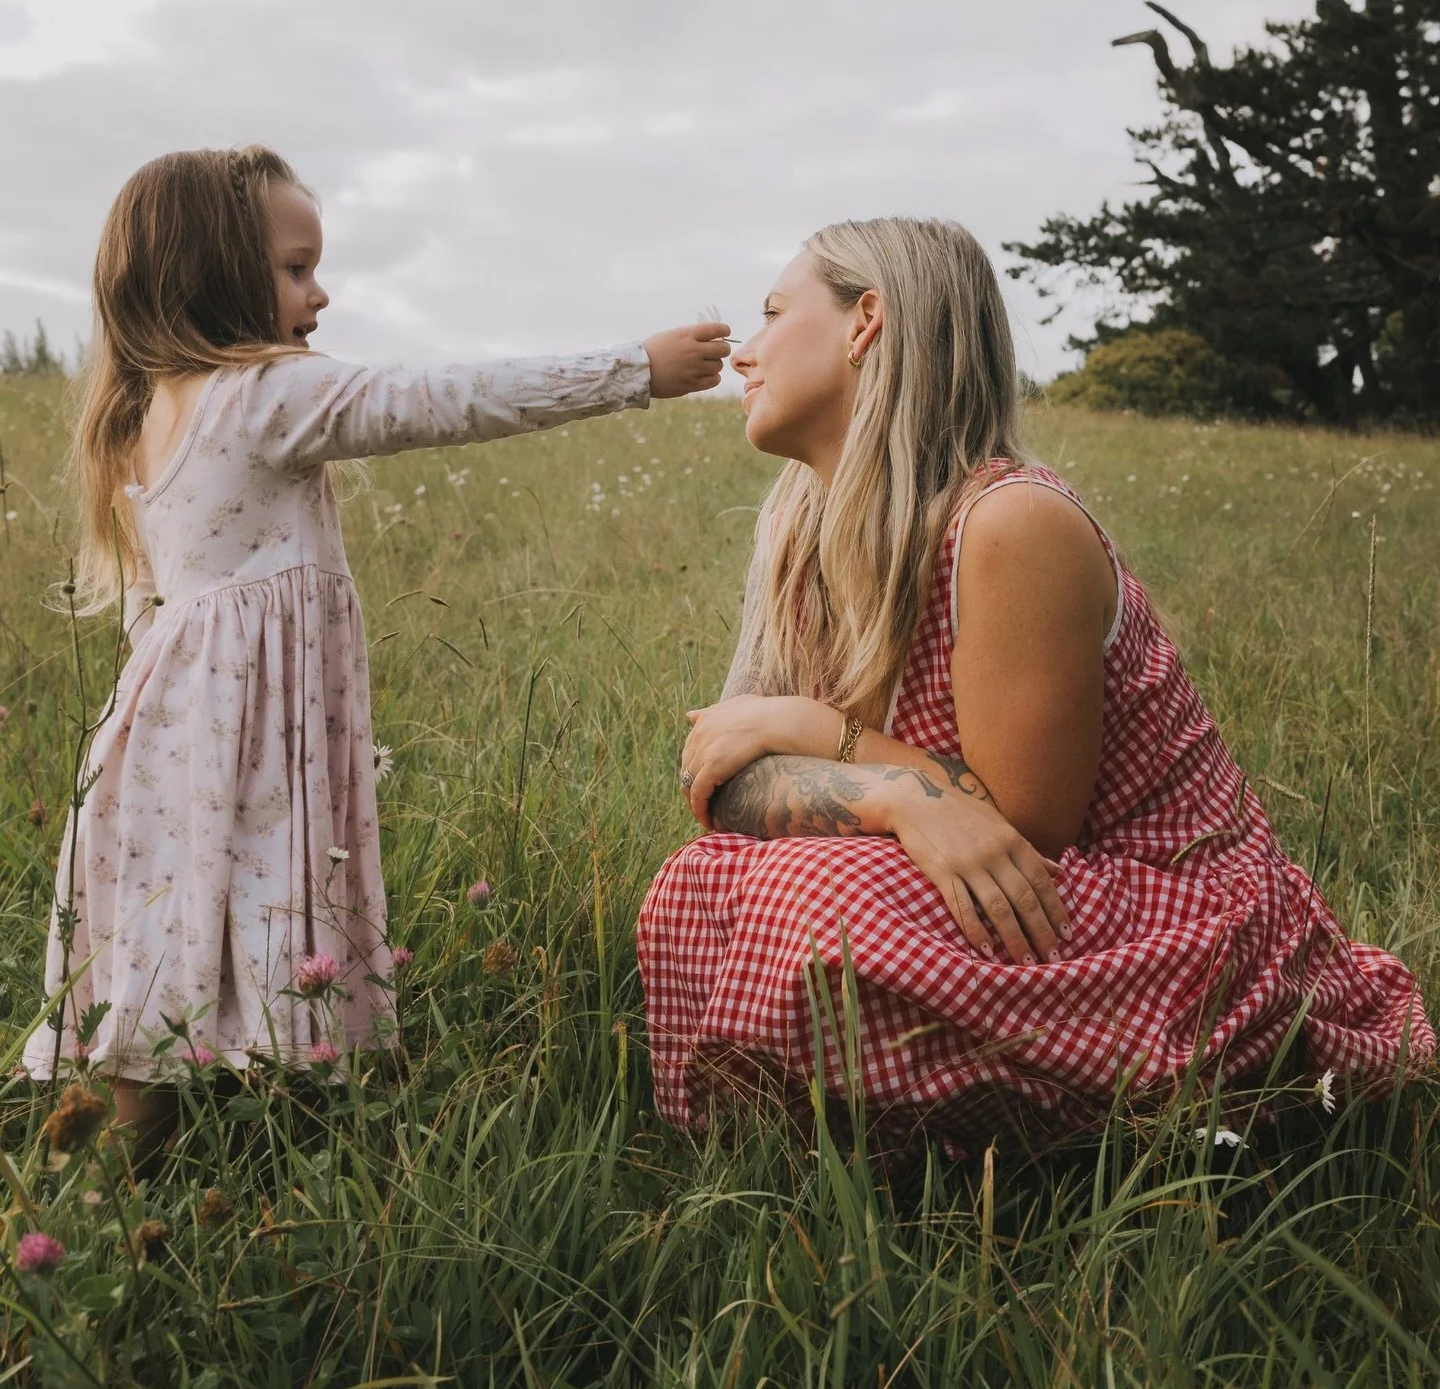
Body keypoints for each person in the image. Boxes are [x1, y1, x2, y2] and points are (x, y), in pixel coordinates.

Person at [637, 216, 1432, 1151]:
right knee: (701, 883)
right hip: (994, 893)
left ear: (866, 322)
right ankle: (872, 1146)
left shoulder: (1009, 523)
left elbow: (1021, 832)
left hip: (1159, 915)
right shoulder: (797, 529)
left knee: (814, 906)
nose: (747, 355)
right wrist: (901, 800)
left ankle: (1067, 1145)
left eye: (774, 315)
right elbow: (725, 779)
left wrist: (831, 739)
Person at [24, 144, 729, 1152]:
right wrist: (635, 371)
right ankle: (281, 1134)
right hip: (235, 730)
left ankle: (145, 1162)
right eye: (295, 268)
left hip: (165, 730)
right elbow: (441, 397)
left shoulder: (148, 409)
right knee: (249, 897)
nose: (320, 292)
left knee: (174, 915)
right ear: (214, 272)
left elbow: (156, 604)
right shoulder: (261, 394)